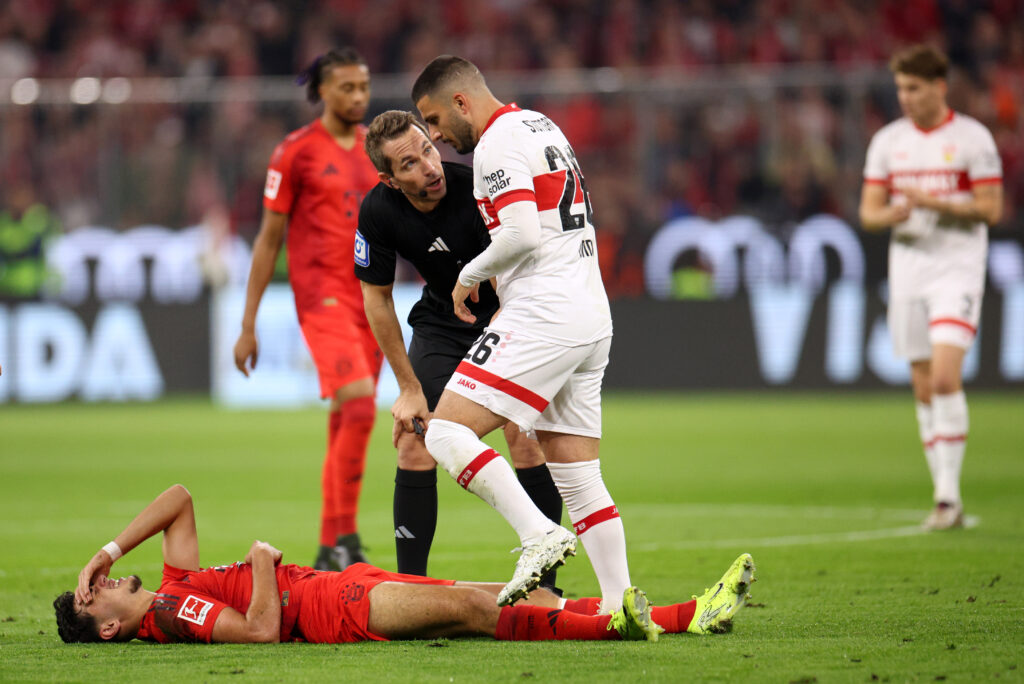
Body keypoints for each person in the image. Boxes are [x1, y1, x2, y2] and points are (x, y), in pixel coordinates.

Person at [410, 56, 626, 610]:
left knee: (444, 433)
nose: (434, 136)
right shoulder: (539, 124)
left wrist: (468, 275)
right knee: (577, 476)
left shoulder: (495, 144)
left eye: (434, 120)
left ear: (461, 102)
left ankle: (538, 535)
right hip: (589, 310)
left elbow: (522, 234)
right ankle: (618, 601)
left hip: (545, 311)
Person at [53, 484, 757, 644]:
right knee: (482, 608)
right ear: (110, 629)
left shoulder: (172, 584)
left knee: (508, 591)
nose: (103, 587)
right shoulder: (175, 611)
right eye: (95, 599)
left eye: (93, 584)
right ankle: (633, 627)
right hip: (336, 609)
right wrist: (263, 564)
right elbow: (260, 633)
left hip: (343, 587)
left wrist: (104, 551)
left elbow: (178, 499)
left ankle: (686, 615)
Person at [357, 109, 564, 581]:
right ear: (390, 181)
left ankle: (546, 587)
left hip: (507, 313)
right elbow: (376, 297)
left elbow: (525, 258)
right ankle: (411, 588)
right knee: (414, 437)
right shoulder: (378, 211)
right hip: (443, 322)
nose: (428, 167)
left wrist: (508, 321)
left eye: (428, 150)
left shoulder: (477, 190)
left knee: (522, 433)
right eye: (408, 164)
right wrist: (407, 387)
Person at [233, 48, 383, 569]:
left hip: (373, 297)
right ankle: (344, 539)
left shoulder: (378, 147)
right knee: (361, 404)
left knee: (348, 416)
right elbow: (268, 240)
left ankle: (332, 543)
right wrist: (247, 324)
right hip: (322, 297)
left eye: (363, 86)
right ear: (321, 91)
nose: (359, 97)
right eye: (347, 87)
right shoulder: (293, 153)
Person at [859, 44, 1003, 531]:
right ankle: (947, 499)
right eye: (900, 88)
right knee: (923, 384)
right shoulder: (887, 141)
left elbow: (991, 209)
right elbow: (868, 211)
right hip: (909, 268)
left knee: (944, 377)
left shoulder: (972, 139)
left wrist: (935, 202)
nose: (905, 97)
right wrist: (894, 213)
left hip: (957, 266)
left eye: (914, 88)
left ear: (939, 87)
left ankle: (947, 497)